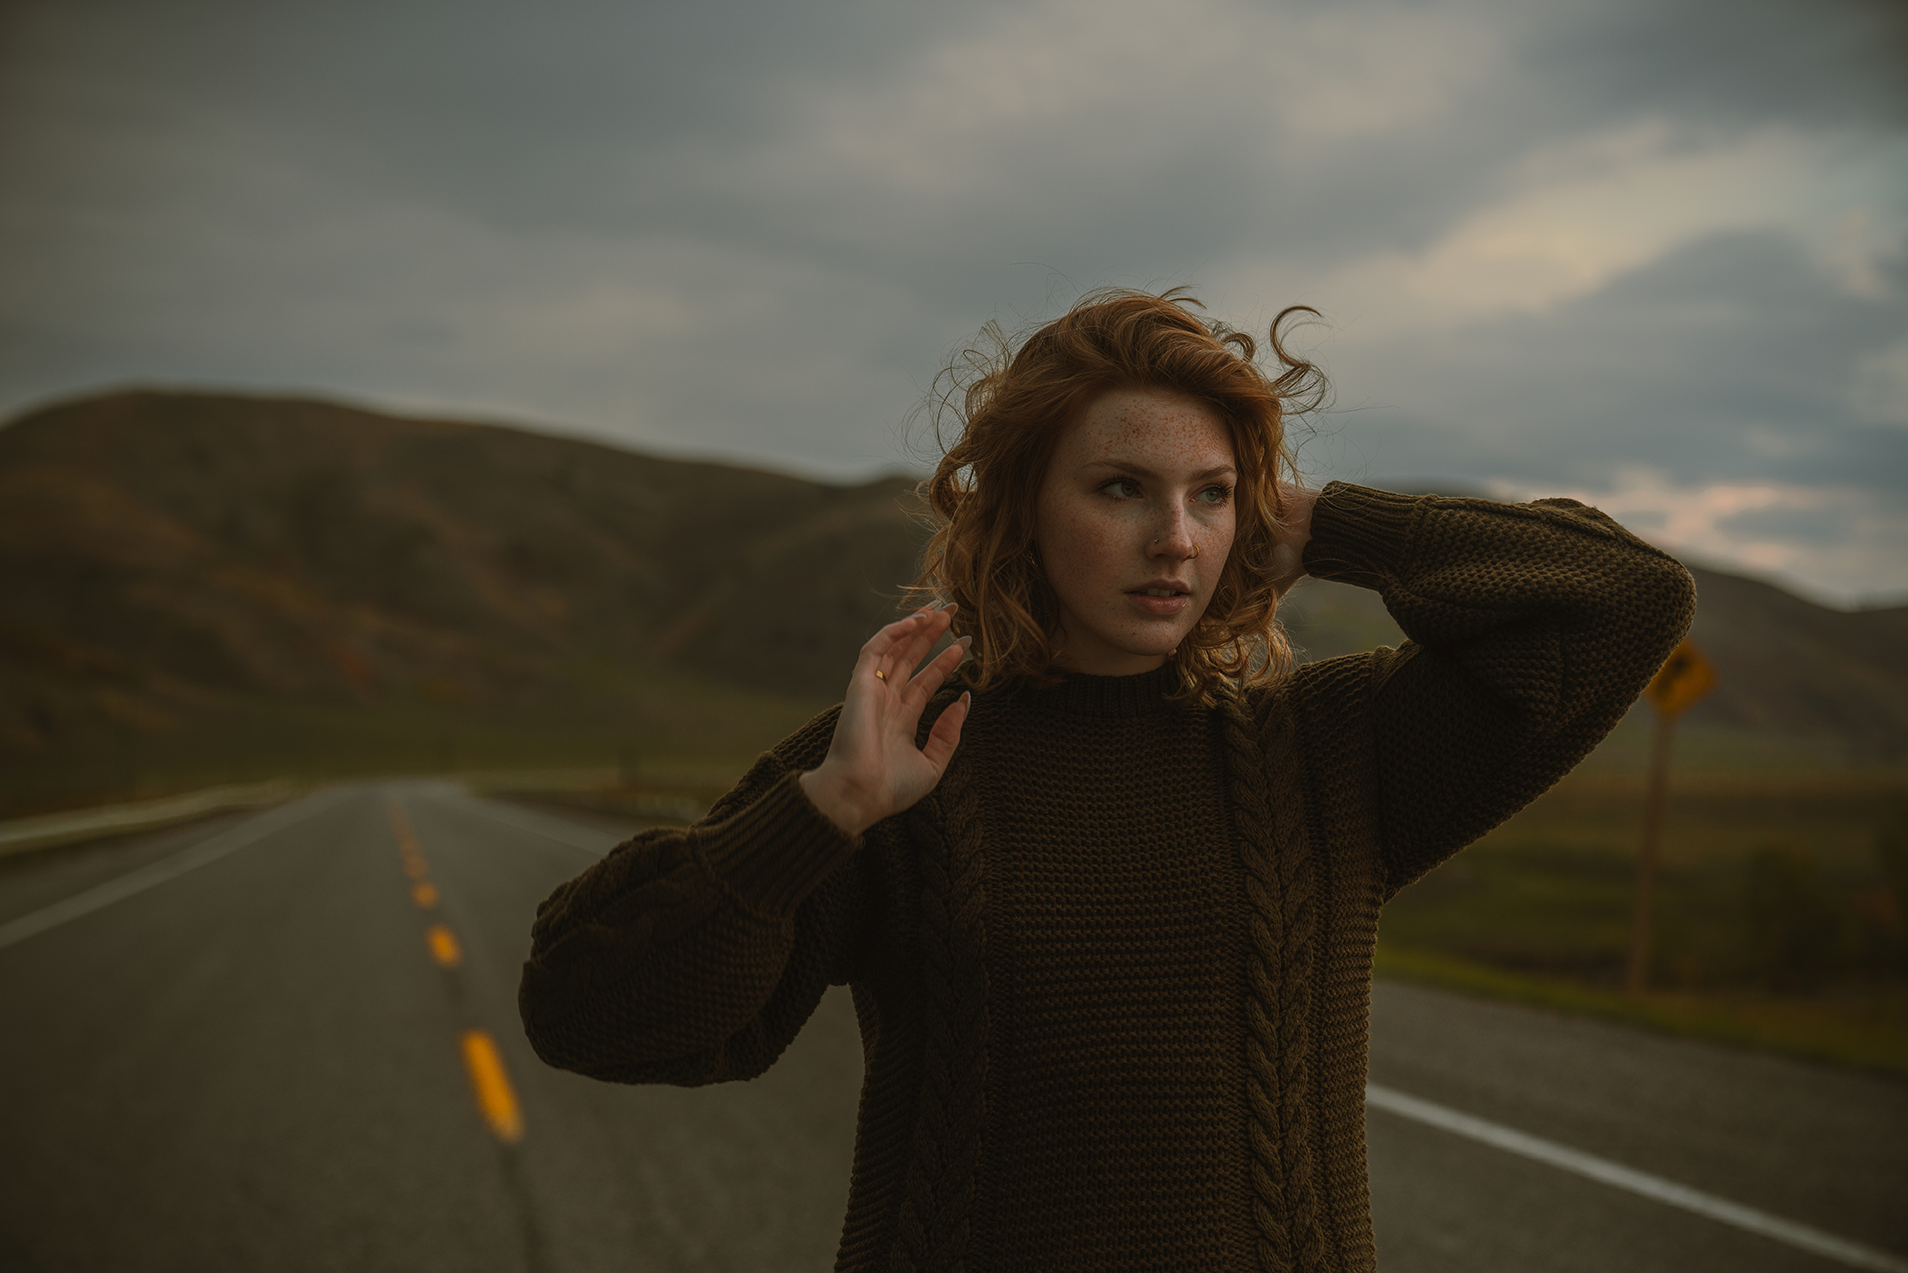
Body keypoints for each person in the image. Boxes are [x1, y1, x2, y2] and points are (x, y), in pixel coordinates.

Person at [517, 290, 1695, 1272]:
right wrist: (819, 815)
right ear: (1026, 506)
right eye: (1121, 488)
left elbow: (1627, 602)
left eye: (1213, 494)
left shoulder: (1336, 754)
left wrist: (1337, 525)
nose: (1176, 538)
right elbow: (583, 1009)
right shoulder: (905, 753)